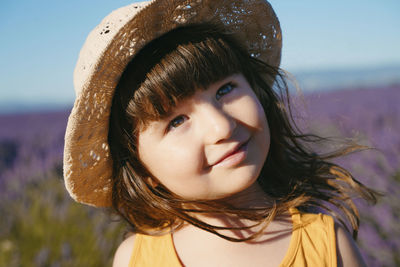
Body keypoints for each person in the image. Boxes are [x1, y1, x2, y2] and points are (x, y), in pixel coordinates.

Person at [63, 0, 377, 266]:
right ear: (142, 169)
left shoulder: (327, 245)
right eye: (176, 121)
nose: (222, 126)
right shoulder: (136, 258)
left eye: (225, 89)